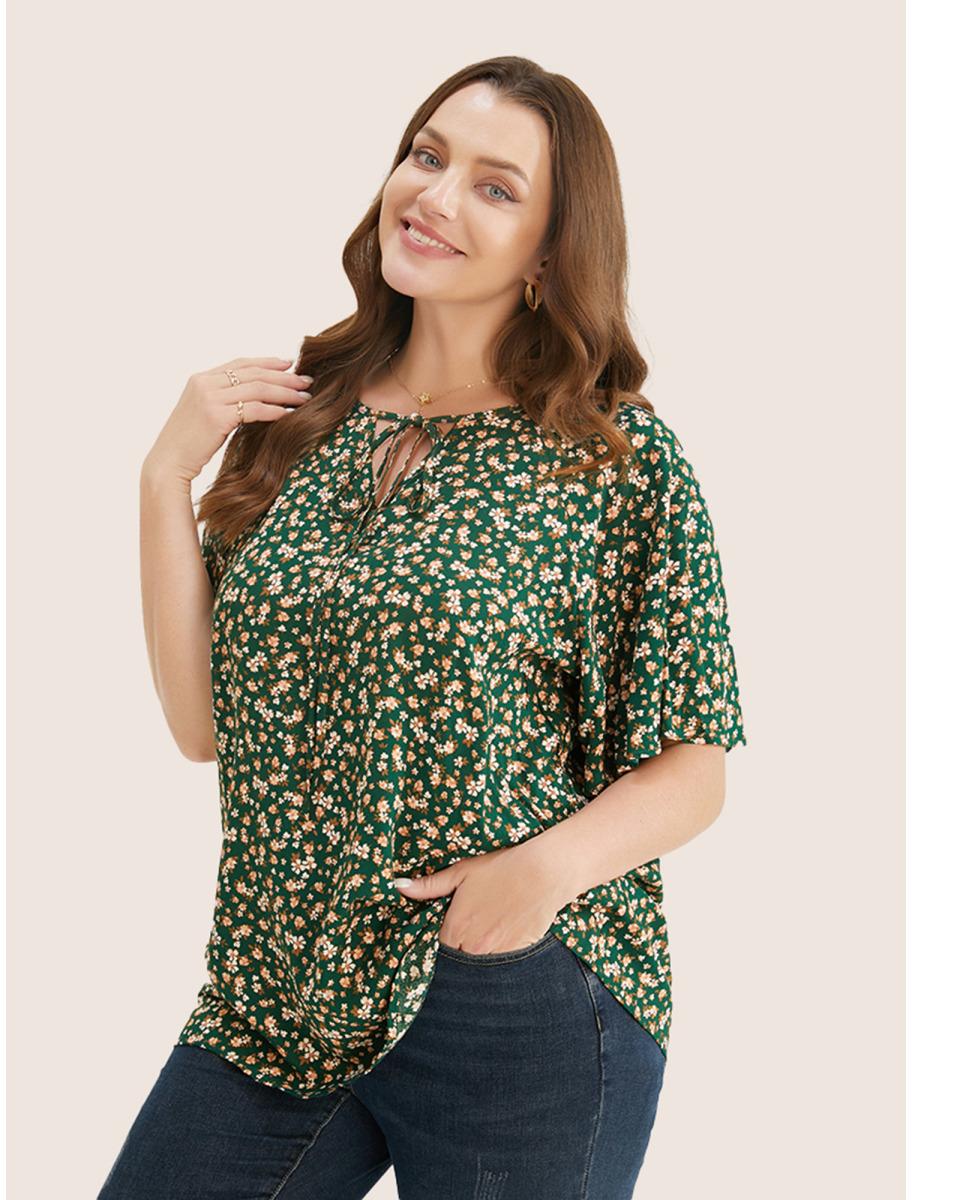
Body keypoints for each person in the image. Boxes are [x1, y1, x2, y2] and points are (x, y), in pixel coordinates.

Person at [102, 54, 746, 1200]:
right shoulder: (295, 419)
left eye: (495, 187)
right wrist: (163, 477)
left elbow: (694, 768)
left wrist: (533, 877)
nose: (436, 196)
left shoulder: (610, 458)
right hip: (277, 988)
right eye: (427, 155)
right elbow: (203, 727)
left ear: (549, 252)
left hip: (510, 991)